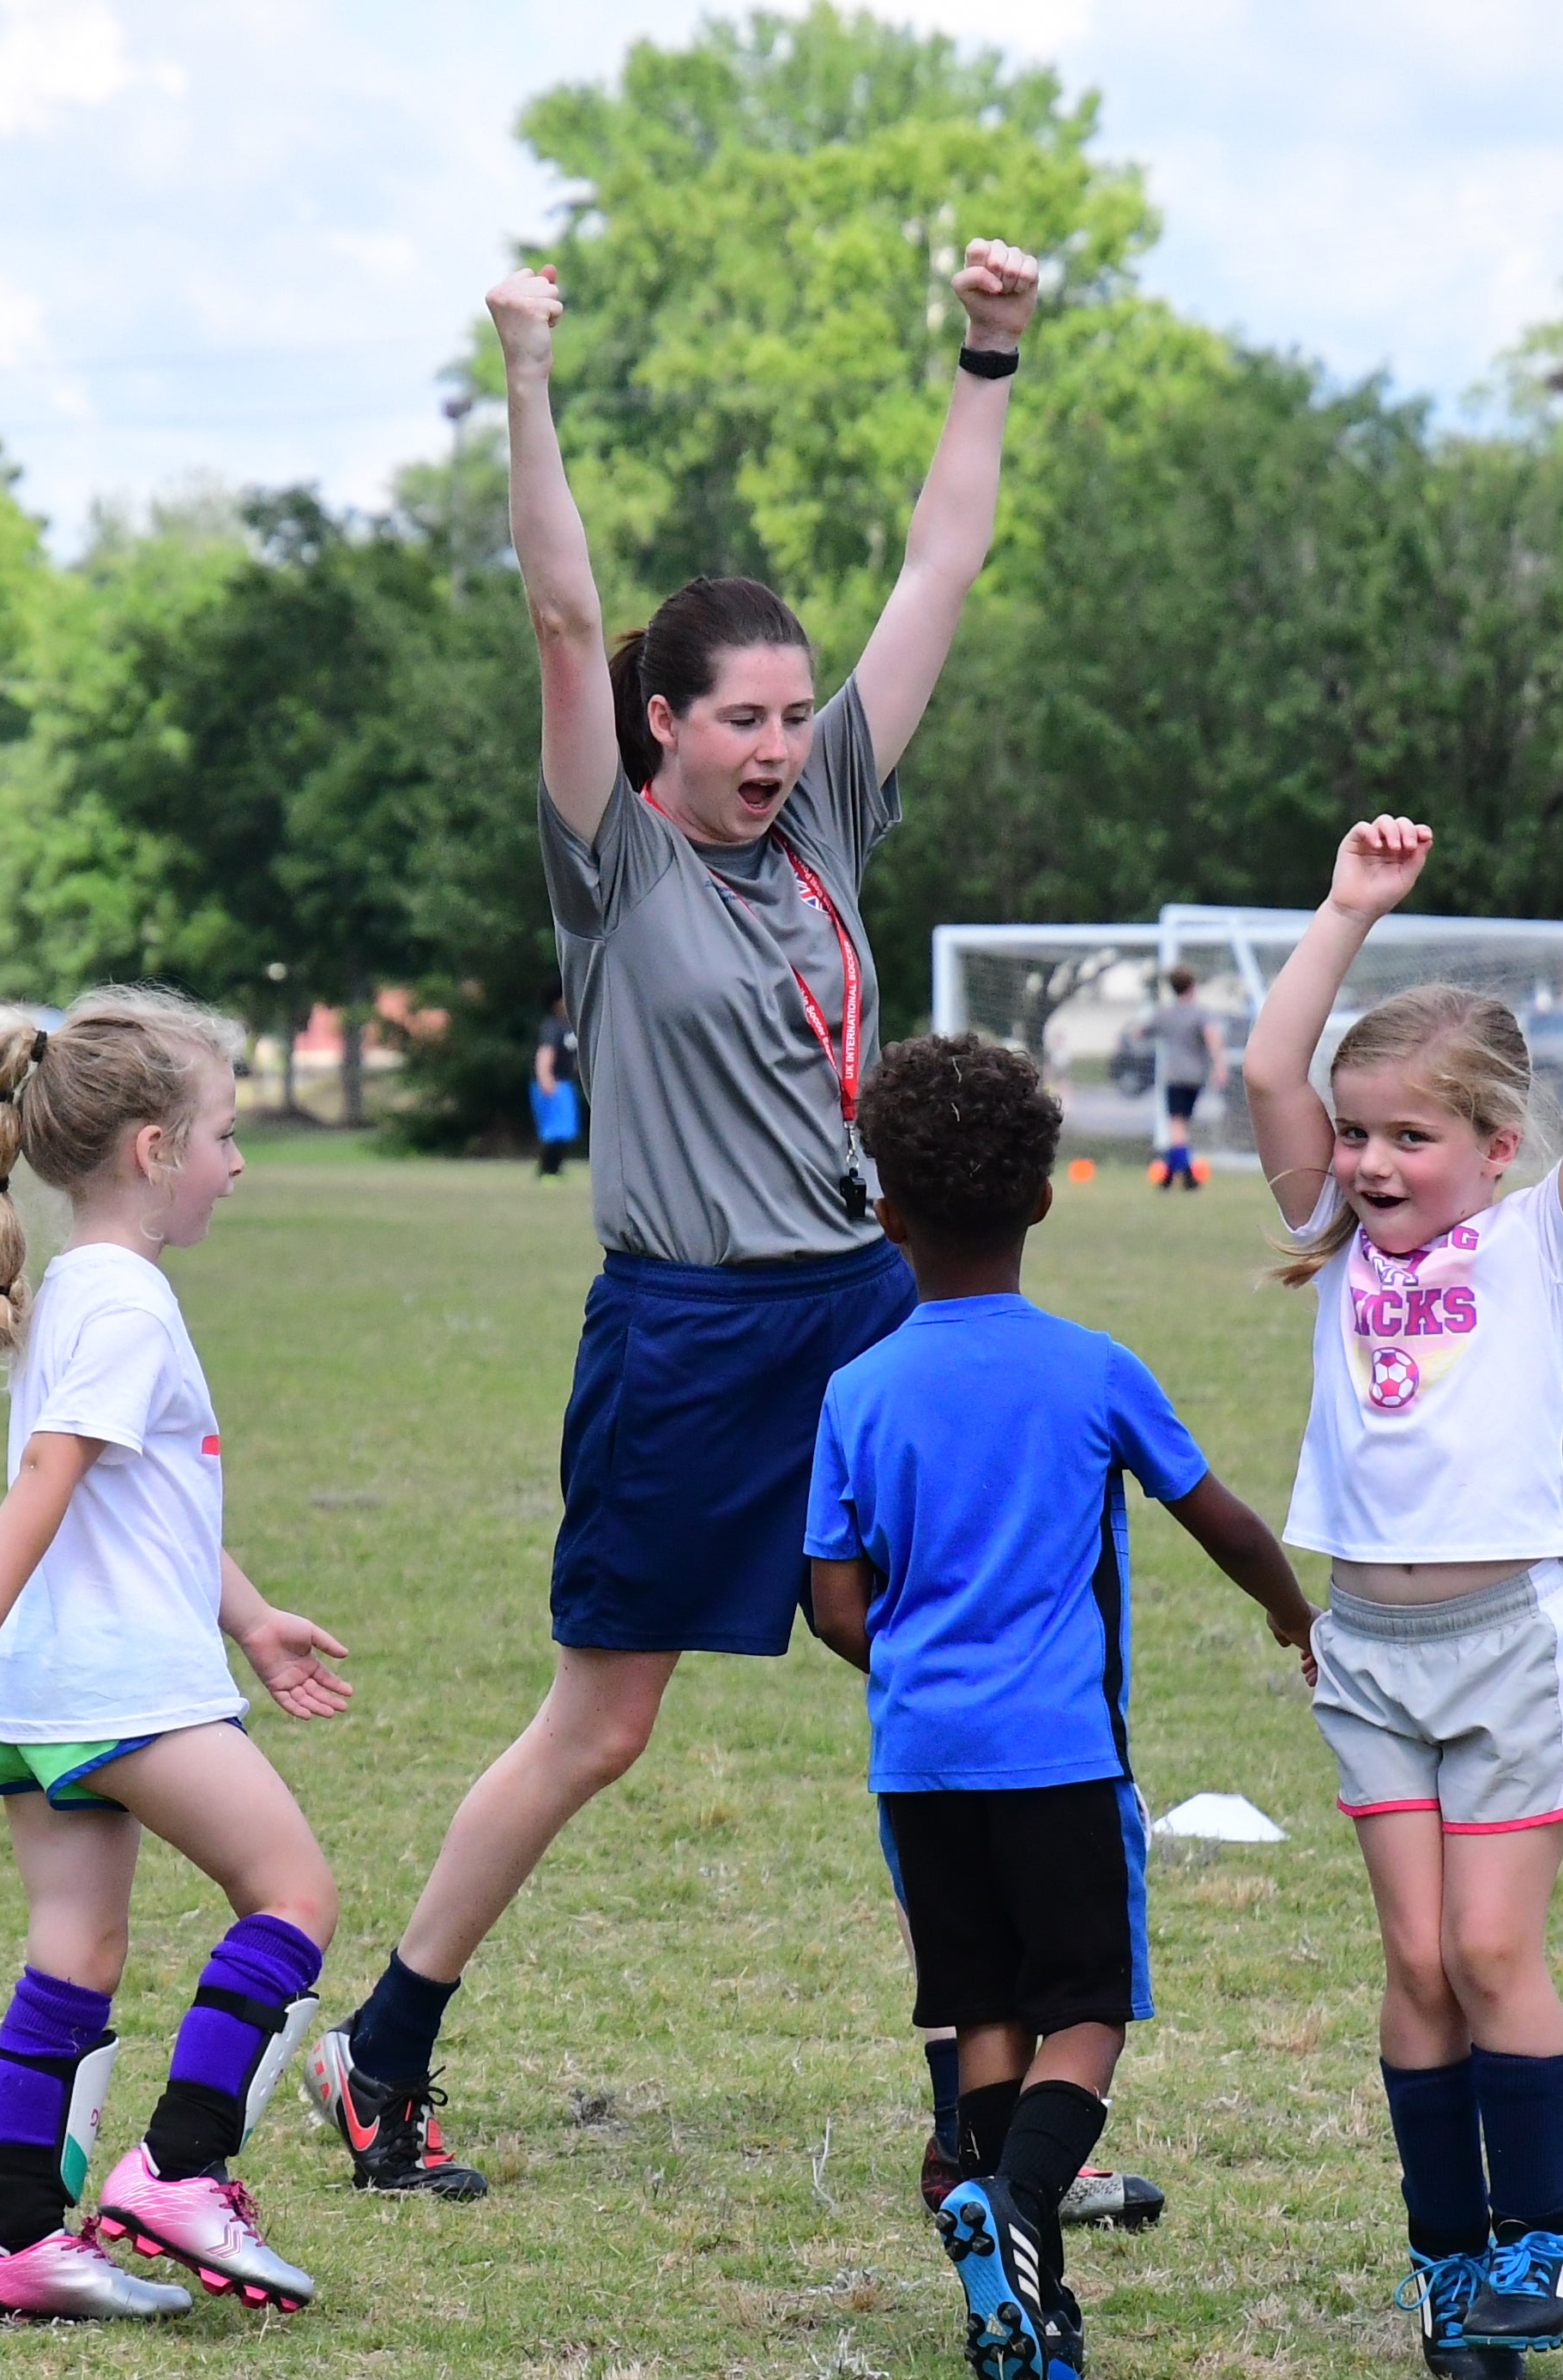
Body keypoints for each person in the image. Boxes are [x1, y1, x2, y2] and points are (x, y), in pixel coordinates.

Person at [299, 234, 1045, 2200]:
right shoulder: (615, 865)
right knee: (604, 1721)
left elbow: (941, 563)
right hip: (694, 1330)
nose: (781, 743)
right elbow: (559, 608)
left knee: (953, 1667)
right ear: (659, 727)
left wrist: (987, 351)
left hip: (876, 1307)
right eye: (743, 718)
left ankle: (998, 2108)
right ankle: (382, 2052)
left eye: (797, 713)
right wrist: (527, 365)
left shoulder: (828, 823)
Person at [804, 1036, 1317, 2380]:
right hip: (1063, 1758)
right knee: (1086, 2011)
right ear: (1042, 1199)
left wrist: (917, 1665)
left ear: (886, 1212)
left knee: (983, 2010)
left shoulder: (857, 1392)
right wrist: (1293, 1614)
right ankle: (1024, 2206)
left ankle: (1033, 2290)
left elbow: (833, 1604)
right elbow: (1221, 1517)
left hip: (920, 1764)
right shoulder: (1093, 1370)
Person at [1236, 816, 1563, 2380]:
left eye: (1410, 1137)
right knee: (1415, 1965)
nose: (1369, 1162)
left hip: (1507, 1651)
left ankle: (1541, 2240)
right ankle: (1447, 2260)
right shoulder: (1335, 1241)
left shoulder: (1537, 1246)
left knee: (1493, 1950)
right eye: (1358, 1136)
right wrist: (1349, 907)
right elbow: (1274, 1068)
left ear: (1492, 1146)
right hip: (1367, 1651)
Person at [0, 990, 361, 2323]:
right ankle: (181, 2169)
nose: (237, 1161)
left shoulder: (78, 1290)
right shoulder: (128, 1301)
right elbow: (51, 1474)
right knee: (293, 1898)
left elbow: (134, 1499)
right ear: (153, 1150)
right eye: (224, 1133)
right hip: (116, 1682)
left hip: (49, 1690)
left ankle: (19, 2236)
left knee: (75, 1949)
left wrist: (249, 1615)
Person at [1144, 968, 1224, 1190]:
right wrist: (1219, 1065)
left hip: (1174, 1076)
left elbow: (1141, 1030)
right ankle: (1170, 1176)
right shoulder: (1200, 1012)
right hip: (1196, 1076)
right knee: (1181, 1126)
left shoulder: (1166, 1013)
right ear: (1193, 986)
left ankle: (1186, 1175)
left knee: (1177, 1126)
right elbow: (1212, 1037)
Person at [531, 981, 584, 1179]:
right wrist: (545, 1079)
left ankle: (555, 1169)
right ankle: (547, 1171)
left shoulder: (568, 1026)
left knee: (567, 1130)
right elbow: (545, 1053)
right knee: (555, 1131)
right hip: (553, 1084)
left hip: (565, 1083)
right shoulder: (551, 1026)